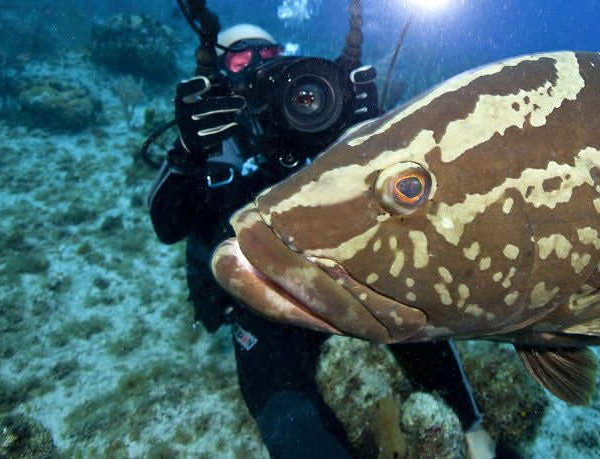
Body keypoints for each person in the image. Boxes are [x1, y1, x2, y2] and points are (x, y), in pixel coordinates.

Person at [149, 24, 496, 458]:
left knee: (410, 317)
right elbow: (167, 226)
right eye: (240, 59)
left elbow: (408, 199)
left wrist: (376, 133)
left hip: (336, 274)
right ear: (220, 74)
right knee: (286, 414)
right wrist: (185, 155)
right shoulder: (210, 140)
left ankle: (473, 429)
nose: (258, 67)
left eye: (268, 55)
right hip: (260, 301)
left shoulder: (321, 119)